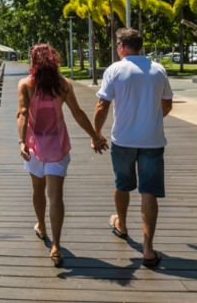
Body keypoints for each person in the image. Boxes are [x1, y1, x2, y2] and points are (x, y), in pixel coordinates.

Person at [18, 43, 108, 267]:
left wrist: (21, 141)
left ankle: (41, 225)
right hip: (57, 147)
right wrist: (94, 136)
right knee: (55, 196)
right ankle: (56, 246)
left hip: (34, 147)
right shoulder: (63, 84)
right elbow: (77, 112)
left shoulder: (26, 84)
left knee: (37, 189)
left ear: (33, 62)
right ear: (55, 61)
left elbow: (21, 114)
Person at [94, 28, 173, 268]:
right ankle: (148, 250)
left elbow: (102, 106)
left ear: (121, 47)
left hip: (123, 140)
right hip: (152, 140)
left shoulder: (115, 70)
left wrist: (96, 134)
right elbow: (167, 104)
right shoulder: (158, 70)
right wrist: (151, 118)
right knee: (148, 192)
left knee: (122, 185)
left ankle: (123, 224)